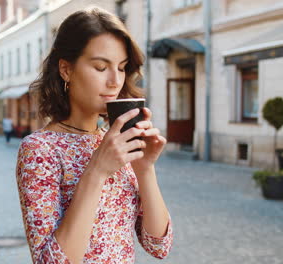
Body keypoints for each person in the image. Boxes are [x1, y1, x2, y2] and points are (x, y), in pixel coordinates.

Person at [16, 7, 173, 264]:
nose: (115, 81)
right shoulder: (40, 150)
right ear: (66, 70)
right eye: (101, 67)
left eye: (121, 68)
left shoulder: (116, 141)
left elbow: (159, 245)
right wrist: (97, 170)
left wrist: (145, 169)